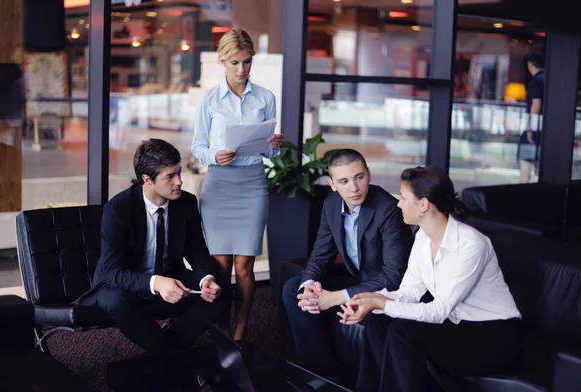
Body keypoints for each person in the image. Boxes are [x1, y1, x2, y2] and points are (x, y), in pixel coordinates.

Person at [338, 166, 522, 392]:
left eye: (403, 198)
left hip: (493, 338)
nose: (398, 204)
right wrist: (372, 299)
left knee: (403, 330)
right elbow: (409, 293)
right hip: (457, 327)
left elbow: (438, 311)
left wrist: (380, 303)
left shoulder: (471, 244)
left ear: (423, 205)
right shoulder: (423, 237)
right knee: (379, 320)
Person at [74, 138, 229, 354]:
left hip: (170, 274)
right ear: (147, 180)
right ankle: (173, 357)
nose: (179, 182)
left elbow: (196, 249)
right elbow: (112, 272)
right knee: (117, 301)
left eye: (179, 172)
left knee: (220, 294)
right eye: (170, 176)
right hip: (122, 285)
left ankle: (166, 351)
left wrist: (206, 279)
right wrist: (156, 283)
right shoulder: (118, 209)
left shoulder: (186, 202)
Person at [282, 149, 413, 377]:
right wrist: (310, 286)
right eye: (344, 181)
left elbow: (394, 277)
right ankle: (320, 373)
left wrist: (335, 297)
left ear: (369, 175)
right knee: (295, 288)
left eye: (359, 177)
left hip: (386, 288)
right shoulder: (331, 205)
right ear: (333, 184)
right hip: (359, 277)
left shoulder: (389, 209)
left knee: (327, 295)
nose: (354, 188)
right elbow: (320, 255)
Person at [191, 29, 284, 341]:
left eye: (247, 62)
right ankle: (217, 328)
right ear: (222, 61)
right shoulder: (209, 100)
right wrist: (215, 156)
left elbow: (269, 151)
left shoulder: (266, 98)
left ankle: (240, 332)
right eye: (235, 62)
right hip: (219, 184)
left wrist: (274, 144)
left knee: (244, 266)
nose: (242, 69)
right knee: (220, 265)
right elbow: (197, 147)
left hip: (252, 183)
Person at [517, 51, 545, 183]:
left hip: (536, 127)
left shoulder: (536, 81)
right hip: (546, 127)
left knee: (525, 165)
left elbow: (536, 105)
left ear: (530, 65)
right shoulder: (548, 79)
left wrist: (530, 129)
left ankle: (522, 194)